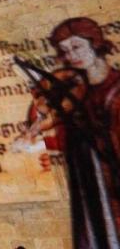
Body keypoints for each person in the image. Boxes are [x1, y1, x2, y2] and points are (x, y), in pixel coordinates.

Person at [16, 17, 120, 248]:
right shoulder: (69, 92)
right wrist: (37, 141)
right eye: (65, 51)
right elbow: (61, 133)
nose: (72, 55)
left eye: (77, 46)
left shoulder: (115, 87)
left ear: (95, 43)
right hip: (88, 177)